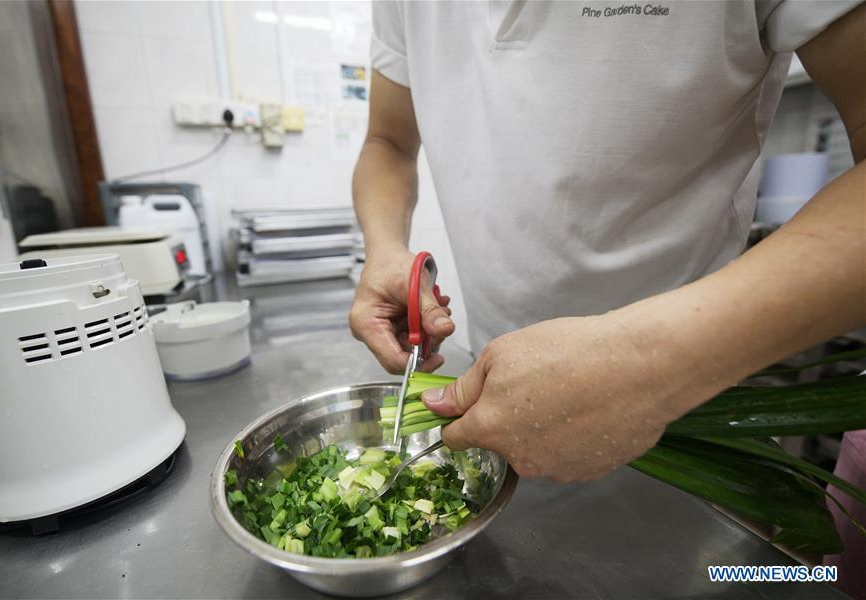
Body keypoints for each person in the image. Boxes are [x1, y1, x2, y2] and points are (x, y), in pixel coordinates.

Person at [349, 1, 865, 593]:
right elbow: (387, 139)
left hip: (693, 423)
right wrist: (384, 247)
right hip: (495, 417)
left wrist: (648, 365)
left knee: (740, 580)